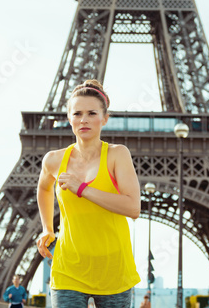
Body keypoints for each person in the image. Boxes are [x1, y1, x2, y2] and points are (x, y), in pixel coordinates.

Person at [36, 80, 141, 308]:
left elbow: (133, 208)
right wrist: (47, 228)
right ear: (69, 118)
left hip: (114, 271)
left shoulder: (117, 155)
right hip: (69, 268)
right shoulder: (53, 160)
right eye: (77, 113)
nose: (83, 119)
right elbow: (44, 188)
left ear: (104, 118)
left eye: (92, 113)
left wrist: (81, 188)